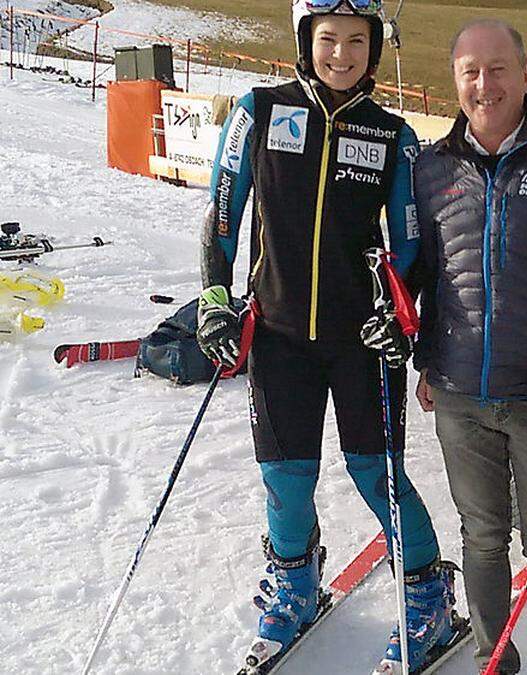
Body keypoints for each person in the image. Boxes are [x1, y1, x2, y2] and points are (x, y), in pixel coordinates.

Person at [197, 1, 456, 672]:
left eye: (357, 41)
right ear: (306, 39)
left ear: (374, 49)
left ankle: (427, 591)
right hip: (279, 334)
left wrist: (400, 319)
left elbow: (407, 245)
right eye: (328, 38)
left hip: (360, 342)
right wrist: (215, 300)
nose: (341, 53)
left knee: (379, 473)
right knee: (284, 476)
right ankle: (296, 581)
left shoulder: (393, 135)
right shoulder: (259, 109)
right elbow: (223, 215)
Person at [410, 18, 527, 675]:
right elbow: (426, 272)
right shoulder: (430, 169)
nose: (485, 85)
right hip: (460, 391)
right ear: (456, 81)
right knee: (482, 536)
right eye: (471, 72)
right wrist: (425, 356)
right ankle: (496, 657)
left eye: (498, 69)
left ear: (525, 74)